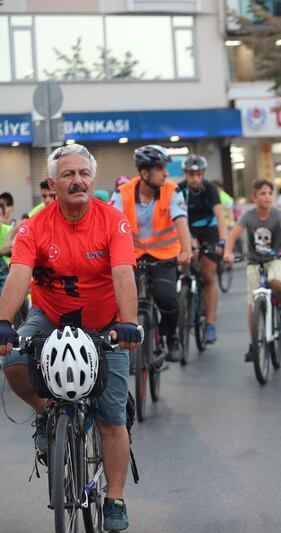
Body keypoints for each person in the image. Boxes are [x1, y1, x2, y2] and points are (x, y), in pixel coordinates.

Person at [0, 144, 144, 532]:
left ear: (92, 180)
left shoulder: (113, 220)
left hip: (105, 322)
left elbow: (123, 274)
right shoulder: (35, 225)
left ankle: (114, 498)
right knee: (12, 362)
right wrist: (3, 322)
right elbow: (18, 274)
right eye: (68, 174)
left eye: (83, 173)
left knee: (112, 418)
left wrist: (128, 323)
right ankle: (48, 415)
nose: (77, 180)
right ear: (52, 183)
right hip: (49, 316)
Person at [111, 145, 192, 362]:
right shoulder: (122, 193)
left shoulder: (172, 191)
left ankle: (171, 335)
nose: (166, 173)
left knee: (167, 298)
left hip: (164, 255)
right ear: (145, 173)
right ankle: (120, 346)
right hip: (131, 256)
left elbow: (181, 221)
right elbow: (110, 225)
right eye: (160, 168)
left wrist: (186, 250)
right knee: (119, 299)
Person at [223, 179, 281, 360]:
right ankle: (254, 343)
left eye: (269, 193)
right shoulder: (248, 216)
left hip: (277, 259)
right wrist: (228, 253)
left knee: (275, 281)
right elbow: (233, 234)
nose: (267, 197)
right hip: (253, 262)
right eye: (262, 193)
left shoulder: (278, 214)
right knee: (253, 302)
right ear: (254, 197)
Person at [176, 154, 229, 344]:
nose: (195, 179)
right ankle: (185, 292)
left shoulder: (210, 188)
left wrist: (223, 241)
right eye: (191, 174)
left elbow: (220, 216)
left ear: (203, 174)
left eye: (198, 174)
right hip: (186, 230)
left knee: (208, 275)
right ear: (185, 174)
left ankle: (210, 323)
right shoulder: (179, 190)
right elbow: (175, 218)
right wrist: (188, 240)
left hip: (209, 231)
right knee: (185, 261)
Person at [0, 181, 57, 256]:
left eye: (51, 195)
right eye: (44, 196)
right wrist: (7, 242)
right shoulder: (40, 208)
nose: (47, 200)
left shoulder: (65, 209)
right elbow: (21, 225)